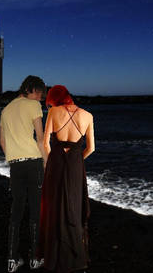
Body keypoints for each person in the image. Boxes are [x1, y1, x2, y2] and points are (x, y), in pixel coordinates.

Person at [38, 85, 95, 272]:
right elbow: (91, 148)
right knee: (74, 206)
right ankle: (75, 256)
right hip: (76, 166)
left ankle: (54, 255)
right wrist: (76, 160)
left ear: (55, 98)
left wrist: (51, 162)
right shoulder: (88, 116)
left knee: (54, 207)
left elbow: (45, 143)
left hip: (56, 164)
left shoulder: (53, 112)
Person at [0, 75, 47, 272]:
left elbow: (3, 143)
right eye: (40, 94)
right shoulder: (33, 105)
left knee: (16, 211)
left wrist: (14, 157)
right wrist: (47, 163)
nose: (41, 99)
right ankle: (35, 259)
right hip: (33, 162)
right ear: (31, 90)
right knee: (36, 211)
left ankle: (12, 260)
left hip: (15, 164)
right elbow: (40, 138)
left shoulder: (6, 109)